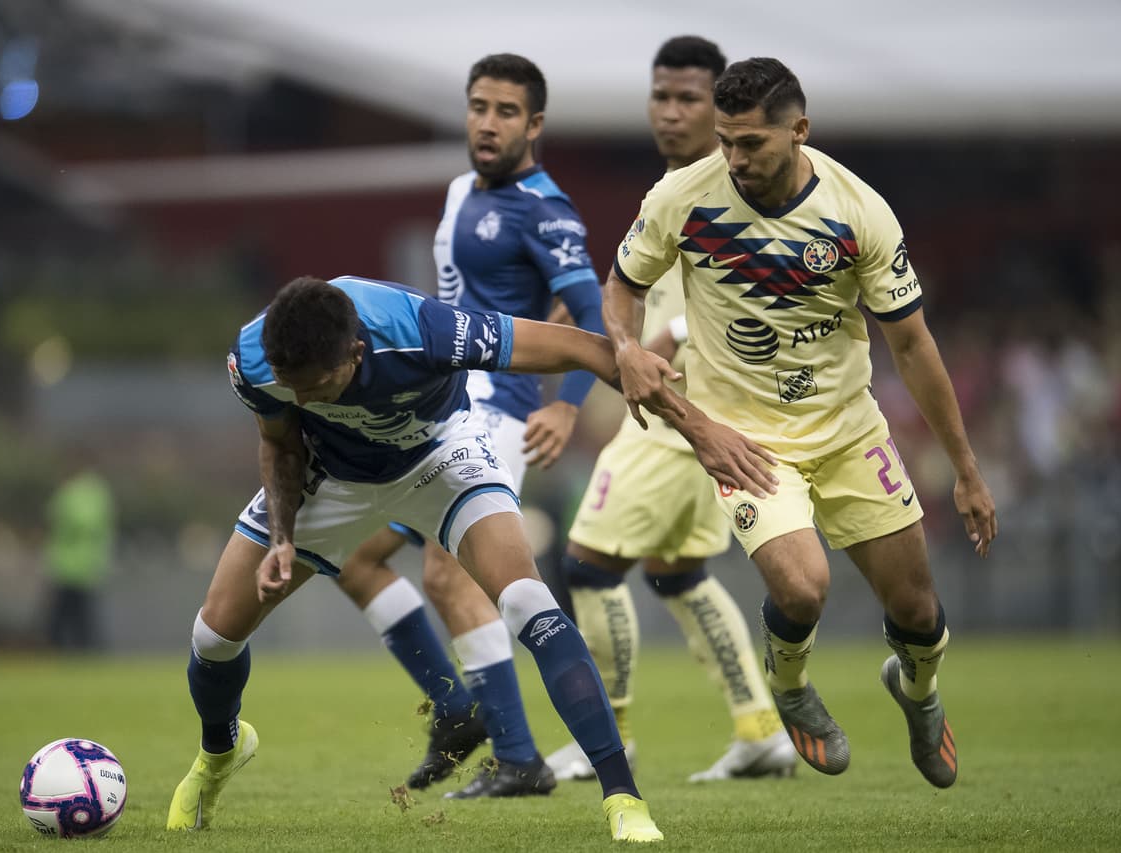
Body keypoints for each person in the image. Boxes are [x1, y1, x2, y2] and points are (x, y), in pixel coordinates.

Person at [167, 274, 678, 842]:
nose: (305, 399)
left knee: (529, 601)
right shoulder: (257, 360)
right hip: (329, 476)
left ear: (356, 352)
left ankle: (623, 795)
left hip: (439, 456)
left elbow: (584, 348)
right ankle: (219, 755)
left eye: (318, 386)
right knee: (213, 638)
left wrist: (695, 426)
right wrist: (284, 539)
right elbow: (282, 442)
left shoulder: (421, 330)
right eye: (294, 388)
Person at [602, 57, 998, 789]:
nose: (734, 158)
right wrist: (625, 346)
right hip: (745, 438)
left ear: (799, 130)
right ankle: (788, 689)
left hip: (848, 430)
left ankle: (918, 692)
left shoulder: (859, 211)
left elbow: (911, 344)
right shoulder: (683, 196)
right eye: (725, 141)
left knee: (917, 608)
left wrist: (967, 471)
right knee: (803, 586)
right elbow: (622, 286)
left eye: (751, 143)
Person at [328, 52, 606, 798]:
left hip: (499, 414)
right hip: (441, 405)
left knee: (449, 571)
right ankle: (458, 710)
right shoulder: (459, 191)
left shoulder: (546, 210)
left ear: (535, 125)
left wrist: (566, 400)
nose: (488, 122)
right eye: (478, 106)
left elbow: (594, 315)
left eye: (506, 111)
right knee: (357, 560)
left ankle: (518, 756)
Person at [547, 36, 795, 785]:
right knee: (680, 569)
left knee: (587, 564)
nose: (671, 110)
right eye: (661, 95)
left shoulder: (730, 185)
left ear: (720, 106)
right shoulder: (674, 187)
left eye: (689, 97)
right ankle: (758, 730)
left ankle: (608, 738)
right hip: (689, 409)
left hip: (684, 410)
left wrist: (675, 333)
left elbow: (765, 286)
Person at [44, 460, 115, 651]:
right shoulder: (99, 494)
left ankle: (61, 650)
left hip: (68, 565)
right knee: (79, 617)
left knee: (63, 617)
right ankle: (83, 651)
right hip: (86, 565)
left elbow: (58, 521)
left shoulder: (70, 493)